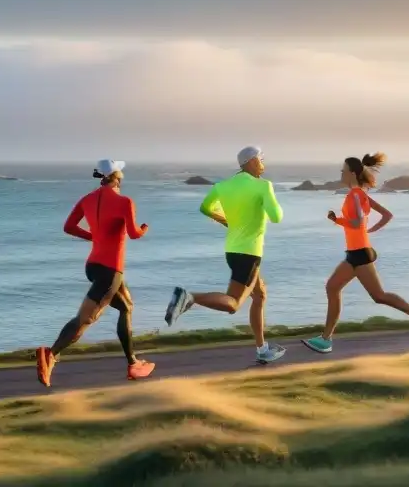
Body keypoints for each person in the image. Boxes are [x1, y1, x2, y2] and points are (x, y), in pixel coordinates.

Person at [36, 159, 155, 387]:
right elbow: (134, 234)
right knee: (86, 318)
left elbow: (68, 227)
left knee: (126, 307)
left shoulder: (87, 199)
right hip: (111, 270)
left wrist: (94, 237)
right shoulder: (125, 202)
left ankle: (133, 363)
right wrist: (144, 229)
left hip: (93, 266)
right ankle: (50, 354)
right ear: (117, 177)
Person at [164, 146, 287, 364]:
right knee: (233, 304)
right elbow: (276, 217)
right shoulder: (263, 186)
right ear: (250, 162)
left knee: (259, 295)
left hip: (232, 251)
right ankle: (190, 297)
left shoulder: (222, 186)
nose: (263, 164)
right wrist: (270, 201)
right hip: (250, 254)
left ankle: (262, 349)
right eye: (261, 160)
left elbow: (205, 207)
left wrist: (225, 220)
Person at [302, 153, 409, 354]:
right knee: (334, 288)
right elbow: (386, 216)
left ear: (352, 173)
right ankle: (326, 338)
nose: (341, 173)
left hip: (360, 254)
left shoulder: (355, 195)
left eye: (343, 170)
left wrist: (339, 221)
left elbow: (356, 222)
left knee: (378, 295)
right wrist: (367, 230)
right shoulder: (361, 194)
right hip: (357, 252)